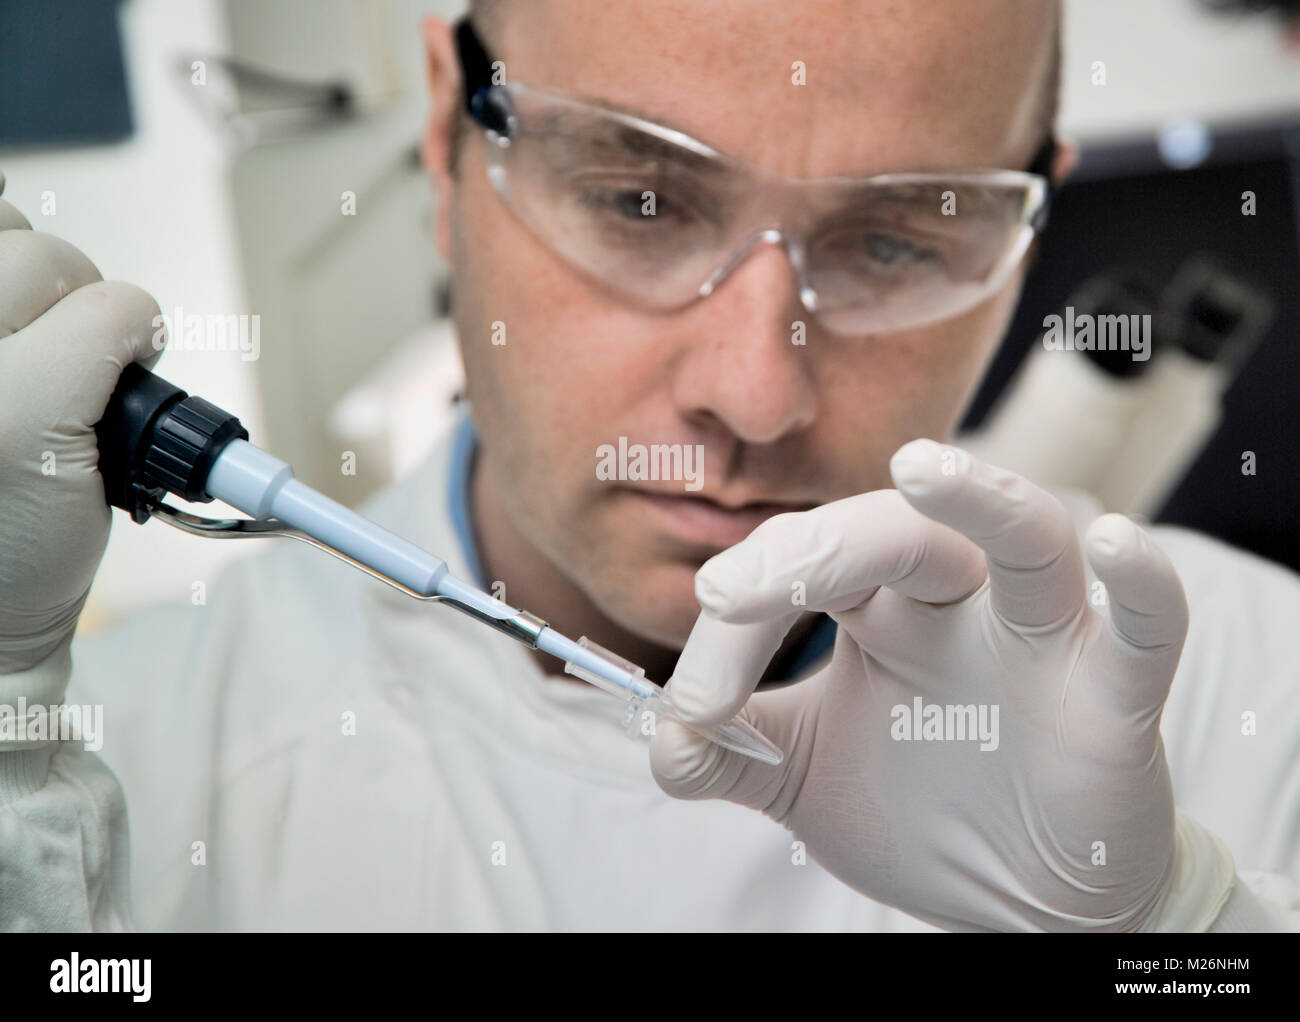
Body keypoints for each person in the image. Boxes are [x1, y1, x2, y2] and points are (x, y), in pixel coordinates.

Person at [1, 0, 1297, 932]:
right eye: (641, 199)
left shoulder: (1253, 682)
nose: (754, 392)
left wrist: (1176, 932)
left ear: (1028, 227)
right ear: (451, 142)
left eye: (895, 241)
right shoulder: (111, 760)